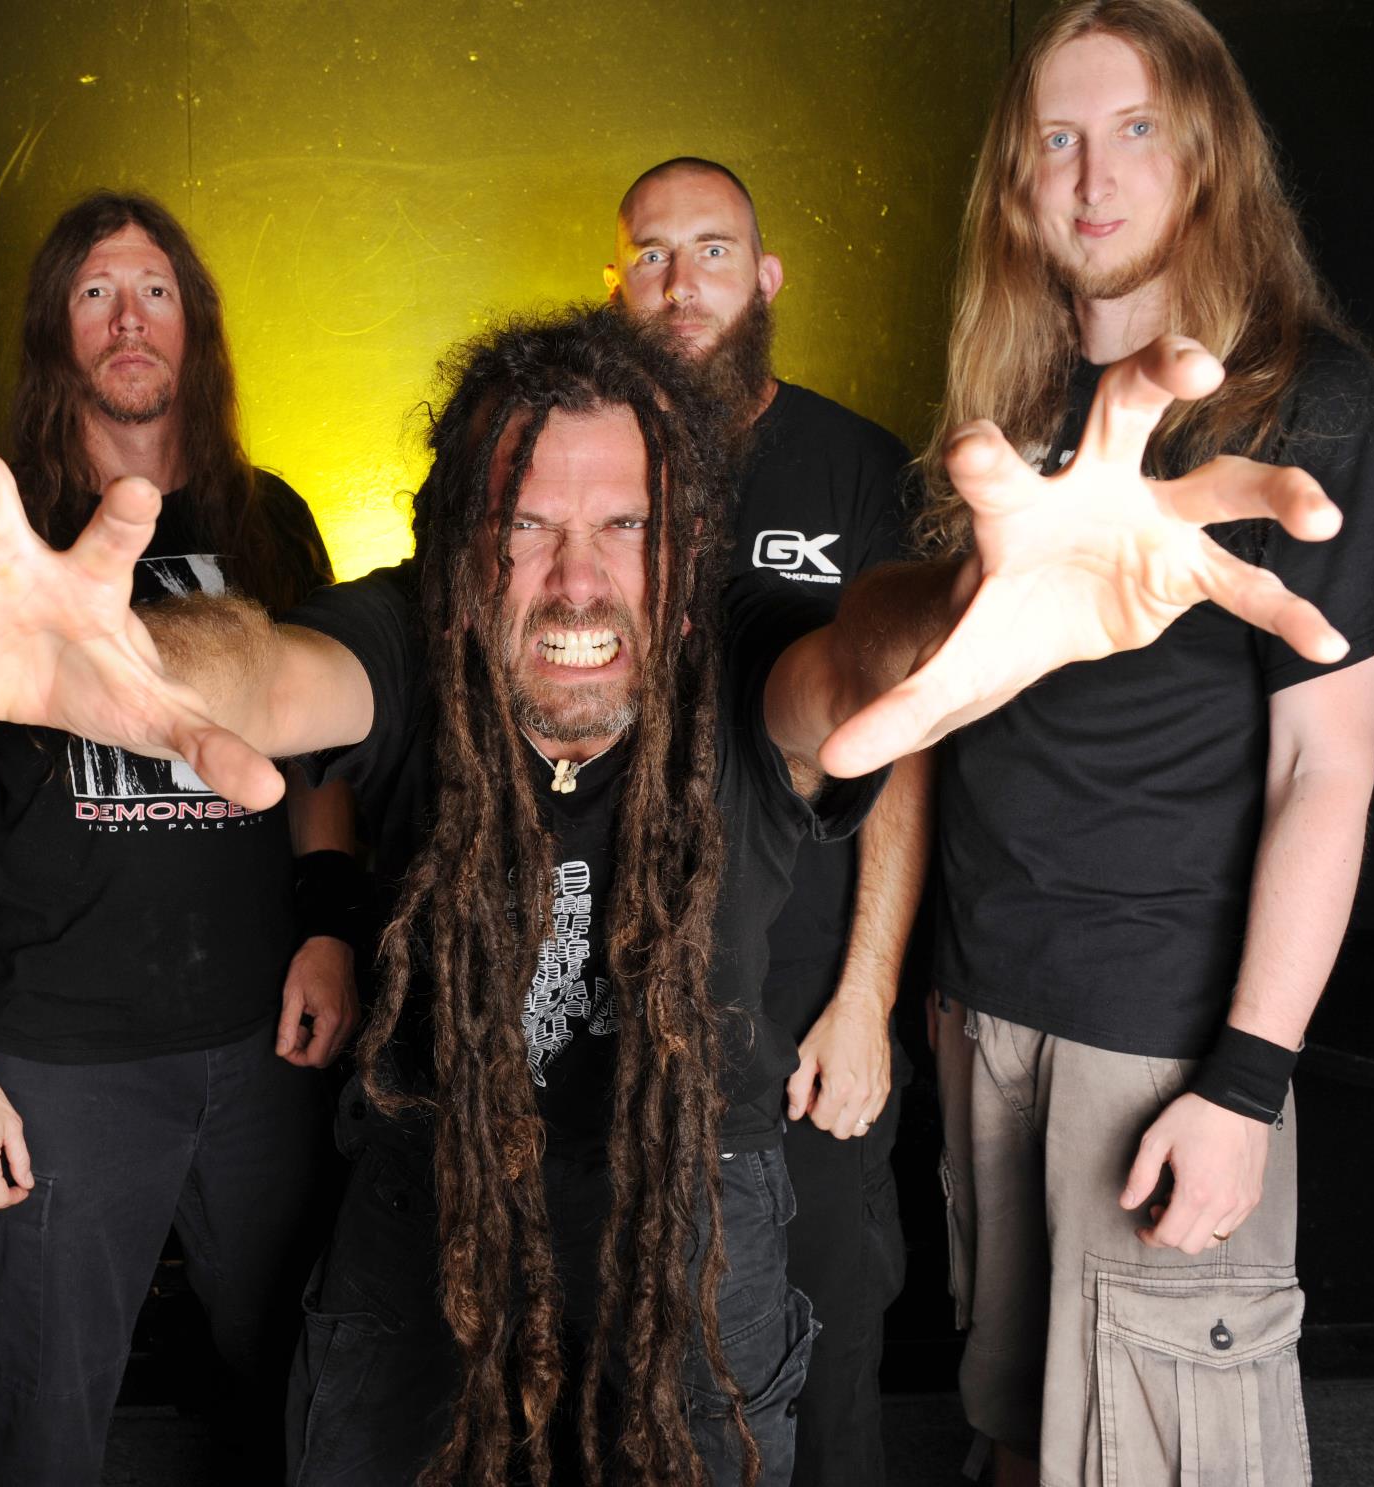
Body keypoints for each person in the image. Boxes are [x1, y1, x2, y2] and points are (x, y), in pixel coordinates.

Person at [0, 304, 1348, 1485]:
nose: (578, 582)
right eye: (525, 531)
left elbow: (855, 662)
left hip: (702, 1209)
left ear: (685, 542)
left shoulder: (745, 650)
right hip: (425, 1201)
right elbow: (274, 672)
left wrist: (981, 599)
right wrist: (122, 657)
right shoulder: (407, 637)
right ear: (463, 544)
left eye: (622, 529)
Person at [908, 3, 1374, 1483]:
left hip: (1160, 1048)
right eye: (1057, 140)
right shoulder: (1014, 409)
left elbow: (1328, 768)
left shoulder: (1313, 406)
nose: (1093, 178)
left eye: (1136, 130)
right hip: (986, 1015)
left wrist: (1246, 1083)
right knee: (1017, 1440)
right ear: (1016, 180)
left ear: (1207, 156)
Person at [0, 191, 360, 1485]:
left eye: (155, 290)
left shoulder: (271, 520)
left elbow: (321, 761)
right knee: (34, 1426)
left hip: (262, 1049)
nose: (129, 317)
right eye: (96, 291)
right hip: (63, 1062)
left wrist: (328, 928)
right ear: (56, 328)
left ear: (196, 325)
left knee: (305, 1402)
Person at [607, 157, 927, 1486]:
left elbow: (909, 740)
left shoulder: (858, 467)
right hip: (620, 983)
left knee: (824, 1334)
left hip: (803, 998)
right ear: (617, 284)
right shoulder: (584, 466)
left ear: (768, 277)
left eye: (714, 251)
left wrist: (866, 997)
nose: (682, 284)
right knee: (630, 1340)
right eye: (653, 255)